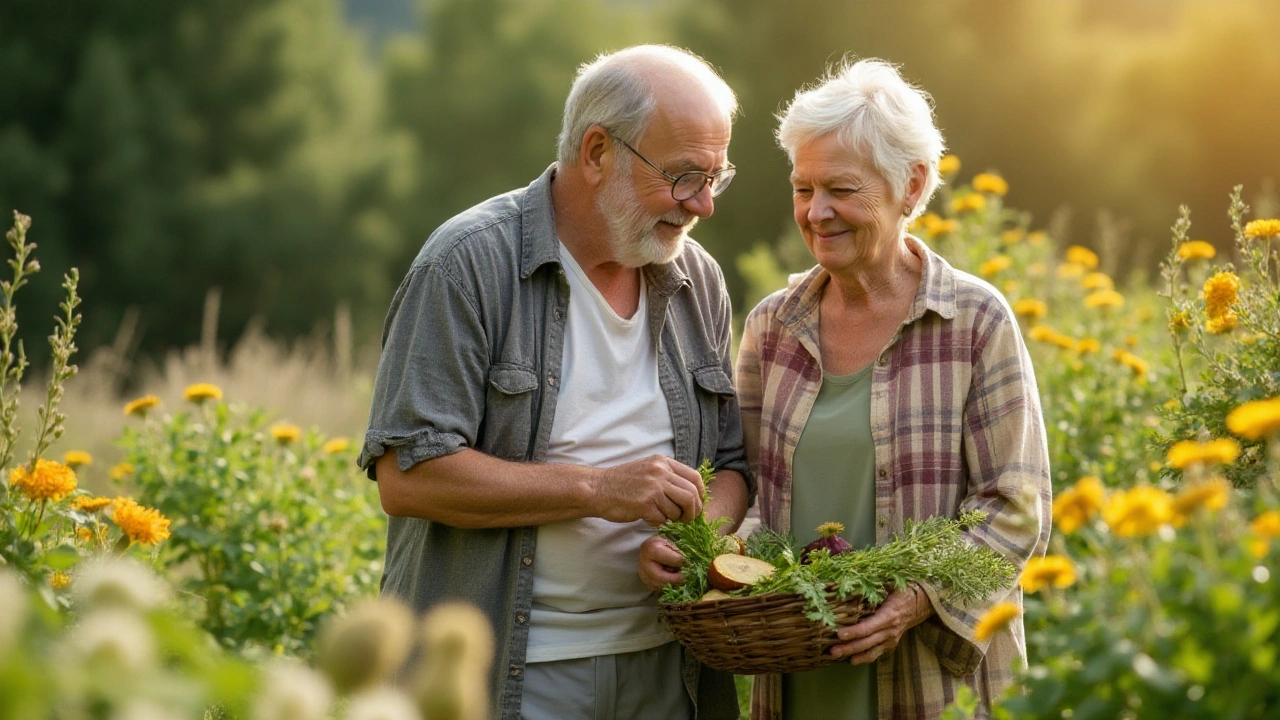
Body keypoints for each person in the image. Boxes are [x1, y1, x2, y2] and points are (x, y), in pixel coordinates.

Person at [358, 45, 752, 720]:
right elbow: (408, 476)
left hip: (669, 668)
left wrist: (697, 543)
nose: (704, 206)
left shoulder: (698, 279)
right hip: (508, 676)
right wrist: (598, 488)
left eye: (717, 177)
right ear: (598, 151)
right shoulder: (466, 264)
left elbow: (733, 468)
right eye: (685, 176)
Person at [735, 58, 1052, 720]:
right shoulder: (772, 327)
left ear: (910, 185)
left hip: (934, 683)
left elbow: (1017, 508)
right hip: (802, 678)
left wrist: (912, 599)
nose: (817, 212)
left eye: (841, 190)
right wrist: (720, 551)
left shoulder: (973, 321)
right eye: (803, 188)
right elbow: (749, 494)